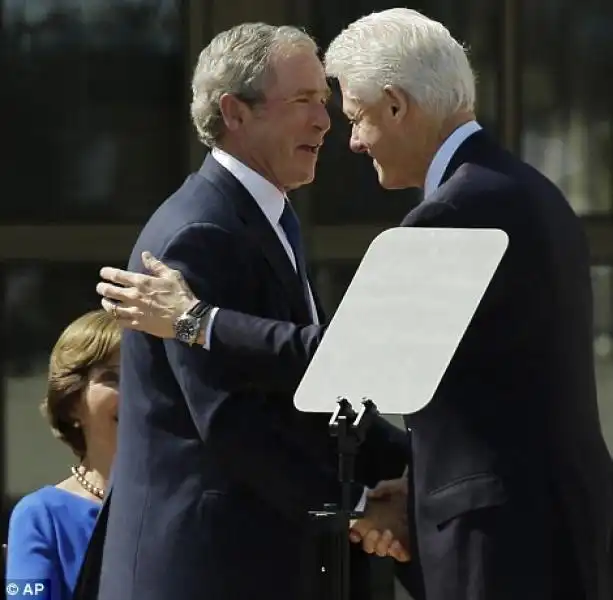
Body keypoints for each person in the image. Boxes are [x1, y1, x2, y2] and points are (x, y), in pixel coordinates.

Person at [96, 8, 613, 600]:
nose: (345, 136)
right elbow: (245, 414)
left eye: (349, 112)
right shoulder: (521, 190)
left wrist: (195, 320)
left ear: (396, 105)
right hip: (213, 568)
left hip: (505, 534)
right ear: (235, 112)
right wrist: (374, 495)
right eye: (306, 103)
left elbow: (354, 357)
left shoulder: (461, 208)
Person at [90, 22, 408, 600]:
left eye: (325, 100)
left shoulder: (266, 216)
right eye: (303, 101)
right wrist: (362, 506)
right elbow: (231, 420)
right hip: (201, 569)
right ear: (234, 112)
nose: (324, 120)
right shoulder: (201, 232)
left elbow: (305, 389)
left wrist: (411, 470)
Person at [5, 310, 120, 600]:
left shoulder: (185, 507)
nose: (135, 392)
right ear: (72, 405)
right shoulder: (41, 517)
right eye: (113, 377)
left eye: (144, 378)